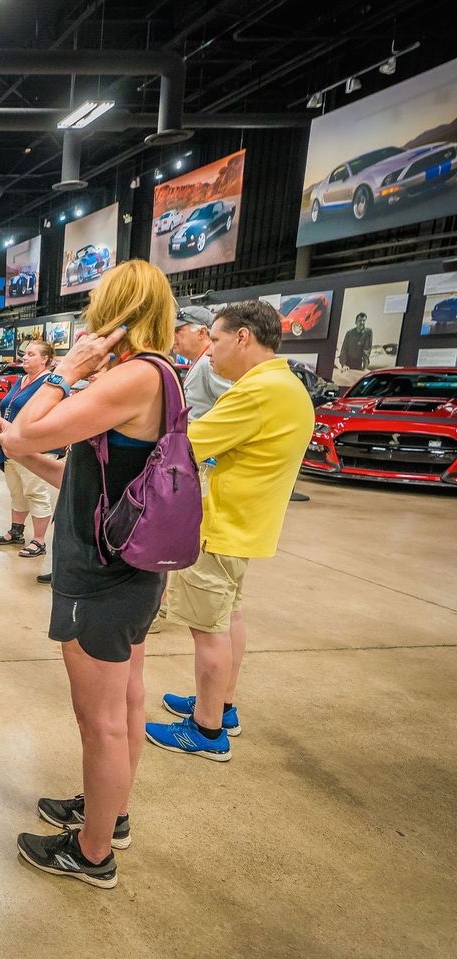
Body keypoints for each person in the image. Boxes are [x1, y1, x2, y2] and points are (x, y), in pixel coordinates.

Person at [0, 259, 177, 889]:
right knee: (124, 705)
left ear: (117, 311)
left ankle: (93, 853)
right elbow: (88, 483)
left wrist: (64, 372)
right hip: (124, 563)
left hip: (102, 573)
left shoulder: (134, 378)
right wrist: (30, 448)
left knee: (102, 722)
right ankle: (108, 814)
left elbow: (23, 434)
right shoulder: (153, 376)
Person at [145, 300, 314, 761]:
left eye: (215, 341)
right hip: (246, 524)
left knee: (207, 631)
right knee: (228, 619)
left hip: (219, 524)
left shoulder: (256, 391)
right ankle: (220, 704)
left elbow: (188, 446)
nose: (210, 352)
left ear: (243, 337)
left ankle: (207, 729)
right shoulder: (285, 384)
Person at [0, 340, 60, 559]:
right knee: (16, 490)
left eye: (31, 354)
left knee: (35, 491)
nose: (25, 357)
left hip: (36, 447)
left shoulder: (50, 383)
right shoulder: (22, 380)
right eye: (25, 354)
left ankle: (39, 540)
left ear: (46, 359)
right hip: (11, 445)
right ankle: (16, 531)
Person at [172, 305, 231, 420]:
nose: (172, 336)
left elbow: (231, 405)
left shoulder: (210, 362)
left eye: (178, 330)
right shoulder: (203, 360)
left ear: (201, 333)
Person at [338, 311, 373, 376]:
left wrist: (364, 366)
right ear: (356, 322)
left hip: (360, 365)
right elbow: (344, 349)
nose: (362, 323)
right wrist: (344, 364)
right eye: (360, 320)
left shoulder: (368, 332)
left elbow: (367, 350)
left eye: (364, 321)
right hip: (348, 365)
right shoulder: (349, 333)